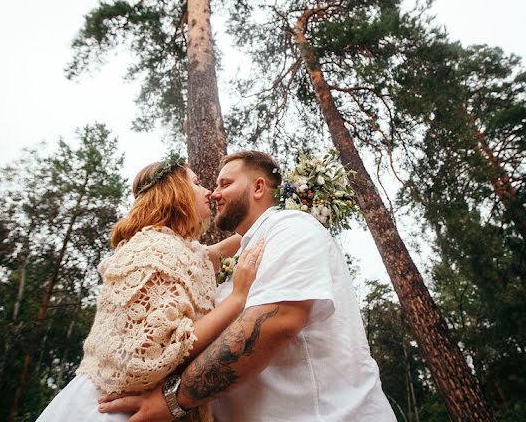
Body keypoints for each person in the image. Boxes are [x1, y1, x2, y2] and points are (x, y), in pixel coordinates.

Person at [98, 150, 396, 421]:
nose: (214, 194)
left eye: (224, 184)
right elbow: (210, 255)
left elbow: (277, 321)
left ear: (258, 188)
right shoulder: (244, 254)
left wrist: (174, 400)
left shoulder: (292, 227)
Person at [37, 156, 265, 422]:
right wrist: (238, 297)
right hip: (115, 410)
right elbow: (161, 349)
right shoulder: (153, 249)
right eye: (197, 183)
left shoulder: (180, 249)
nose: (210, 193)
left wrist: (277, 210)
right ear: (175, 191)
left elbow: (216, 252)